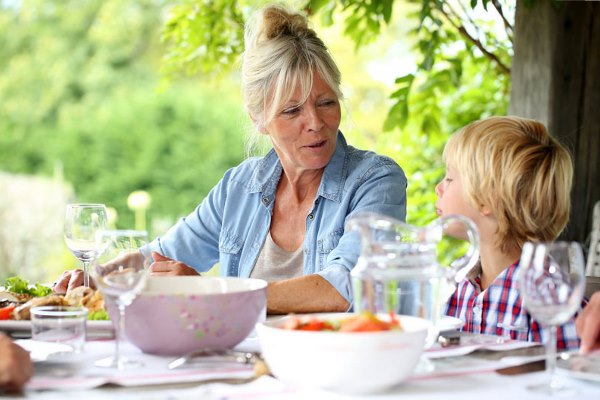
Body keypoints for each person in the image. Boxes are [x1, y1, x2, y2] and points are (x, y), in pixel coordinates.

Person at [54, 4, 407, 314]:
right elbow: (160, 256)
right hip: (245, 368)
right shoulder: (240, 186)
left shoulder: (376, 181)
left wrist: (217, 293)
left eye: (326, 102)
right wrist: (98, 274)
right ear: (258, 119)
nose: (315, 123)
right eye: (291, 110)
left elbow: (344, 286)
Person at [437, 116, 582, 350]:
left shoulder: (552, 301)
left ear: (487, 199)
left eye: (450, 178)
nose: (439, 187)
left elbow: (569, 379)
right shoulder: (452, 287)